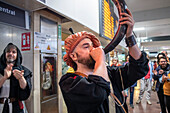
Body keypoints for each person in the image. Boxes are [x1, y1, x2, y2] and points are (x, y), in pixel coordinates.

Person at [59, 8, 149, 113]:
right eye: (86, 46)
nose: (94, 49)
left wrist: (129, 37)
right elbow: (97, 93)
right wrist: (100, 60)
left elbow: (139, 68)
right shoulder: (69, 82)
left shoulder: (110, 73)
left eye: (93, 46)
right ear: (74, 56)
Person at [0, 43, 32, 113]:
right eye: (8, 51)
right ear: (4, 54)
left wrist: (20, 78)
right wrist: (4, 77)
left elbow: (26, 91)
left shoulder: (24, 71)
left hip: (16, 107)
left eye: (14, 52)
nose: (11, 54)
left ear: (17, 55)